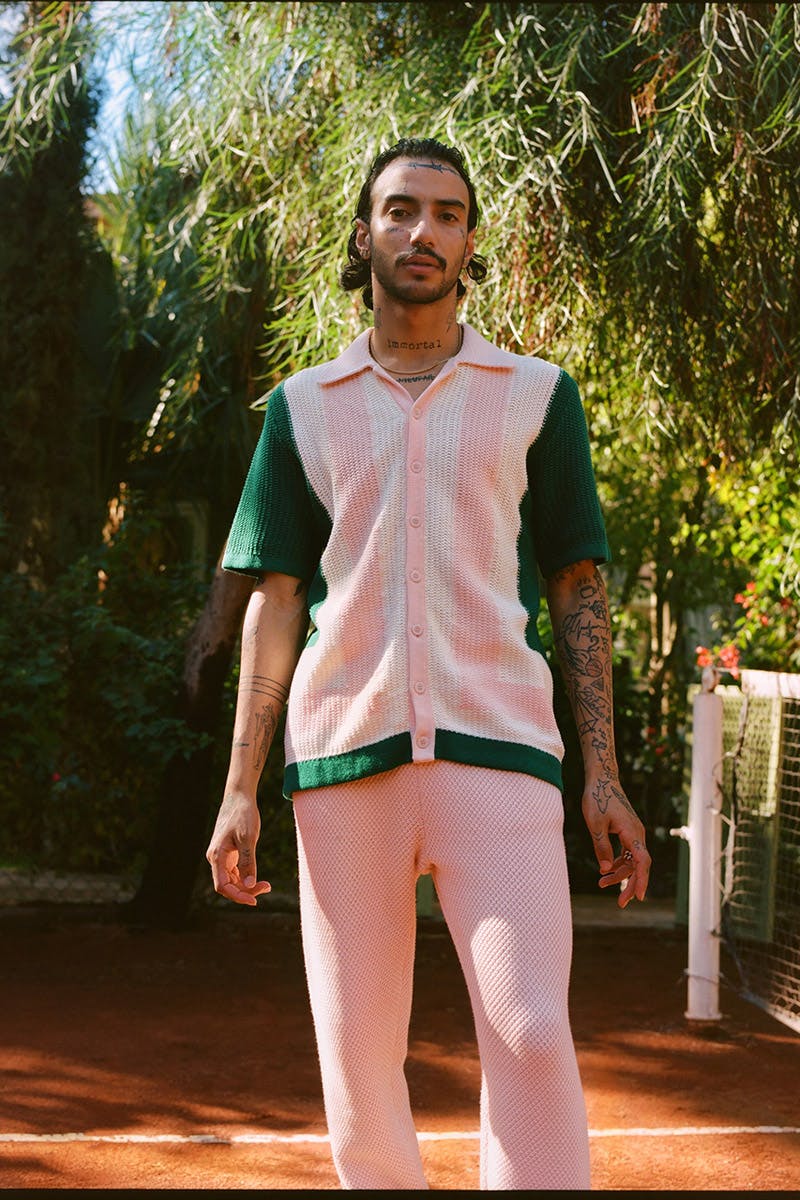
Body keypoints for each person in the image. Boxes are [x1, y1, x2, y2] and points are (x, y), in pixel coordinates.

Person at [206, 136, 651, 1191]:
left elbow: (577, 585)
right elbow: (276, 600)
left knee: (530, 1028)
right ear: (364, 236)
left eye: (448, 215)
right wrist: (238, 788)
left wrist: (600, 772)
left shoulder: (537, 395)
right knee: (360, 1065)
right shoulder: (303, 405)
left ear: (470, 243)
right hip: (340, 761)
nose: (424, 231)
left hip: (500, 753)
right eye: (401, 209)